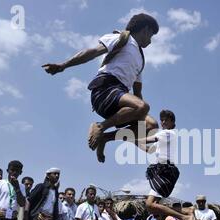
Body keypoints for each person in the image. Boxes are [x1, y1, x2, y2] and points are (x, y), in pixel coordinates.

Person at [42, 13, 160, 163]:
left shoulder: (140, 60)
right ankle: (100, 126)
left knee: (151, 124)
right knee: (143, 107)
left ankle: (105, 138)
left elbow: (138, 93)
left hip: (120, 99)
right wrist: (63, 65)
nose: (150, 41)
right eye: (151, 36)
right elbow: (91, 52)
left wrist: (139, 135)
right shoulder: (122, 38)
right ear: (145, 30)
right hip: (104, 89)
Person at [141, 110, 193, 220]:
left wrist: (132, 136)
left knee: (150, 204)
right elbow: (149, 150)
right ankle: (186, 211)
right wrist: (133, 141)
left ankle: (184, 217)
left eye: (166, 120)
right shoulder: (162, 138)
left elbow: (147, 140)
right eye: (162, 120)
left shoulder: (168, 133)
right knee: (150, 206)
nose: (163, 122)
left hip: (166, 172)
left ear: (172, 122)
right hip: (159, 171)